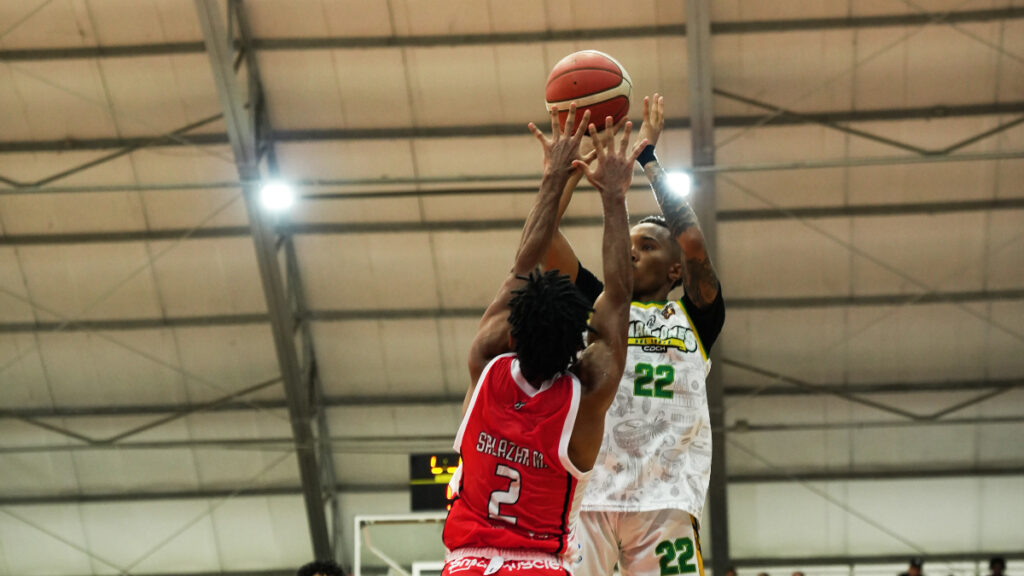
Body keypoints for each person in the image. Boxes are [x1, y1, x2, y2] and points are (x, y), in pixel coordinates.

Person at [441, 105, 649, 576]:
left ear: (511, 327)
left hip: (466, 564)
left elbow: (524, 262)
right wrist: (614, 196)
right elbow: (618, 295)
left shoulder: (486, 360)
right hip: (540, 565)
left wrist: (556, 176)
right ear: (581, 343)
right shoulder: (587, 396)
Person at [544, 94, 725, 576]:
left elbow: (693, 241)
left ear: (675, 273)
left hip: (666, 499)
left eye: (647, 246)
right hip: (591, 491)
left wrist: (647, 158)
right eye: (629, 244)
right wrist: (570, 171)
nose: (632, 253)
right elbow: (543, 243)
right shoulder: (597, 304)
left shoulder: (695, 317)